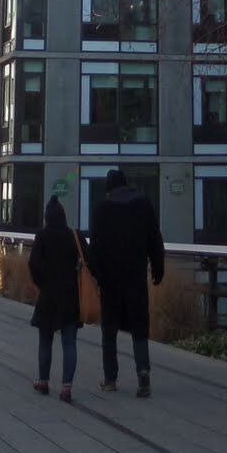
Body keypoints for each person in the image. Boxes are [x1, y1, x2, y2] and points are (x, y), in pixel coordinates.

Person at [85, 168, 164, 398]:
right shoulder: (143, 205)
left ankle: (110, 379)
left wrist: (96, 277)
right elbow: (154, 239)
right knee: (140, 326)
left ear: (109, 188)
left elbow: (95, 249)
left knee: (108, 329)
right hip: (135, 277)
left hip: (110, 281)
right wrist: (158, 268)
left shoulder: (102, 210)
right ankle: (143, 374)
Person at [26, 197, 83, 402]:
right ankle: (66, 387)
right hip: (70, 294)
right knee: (69, 342)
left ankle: (43, 381)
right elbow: (87, 261)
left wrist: (40, 283)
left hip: (48, 294)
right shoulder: (73, 236)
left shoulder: (42, 236)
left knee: (45, 340)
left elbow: (32, 263)